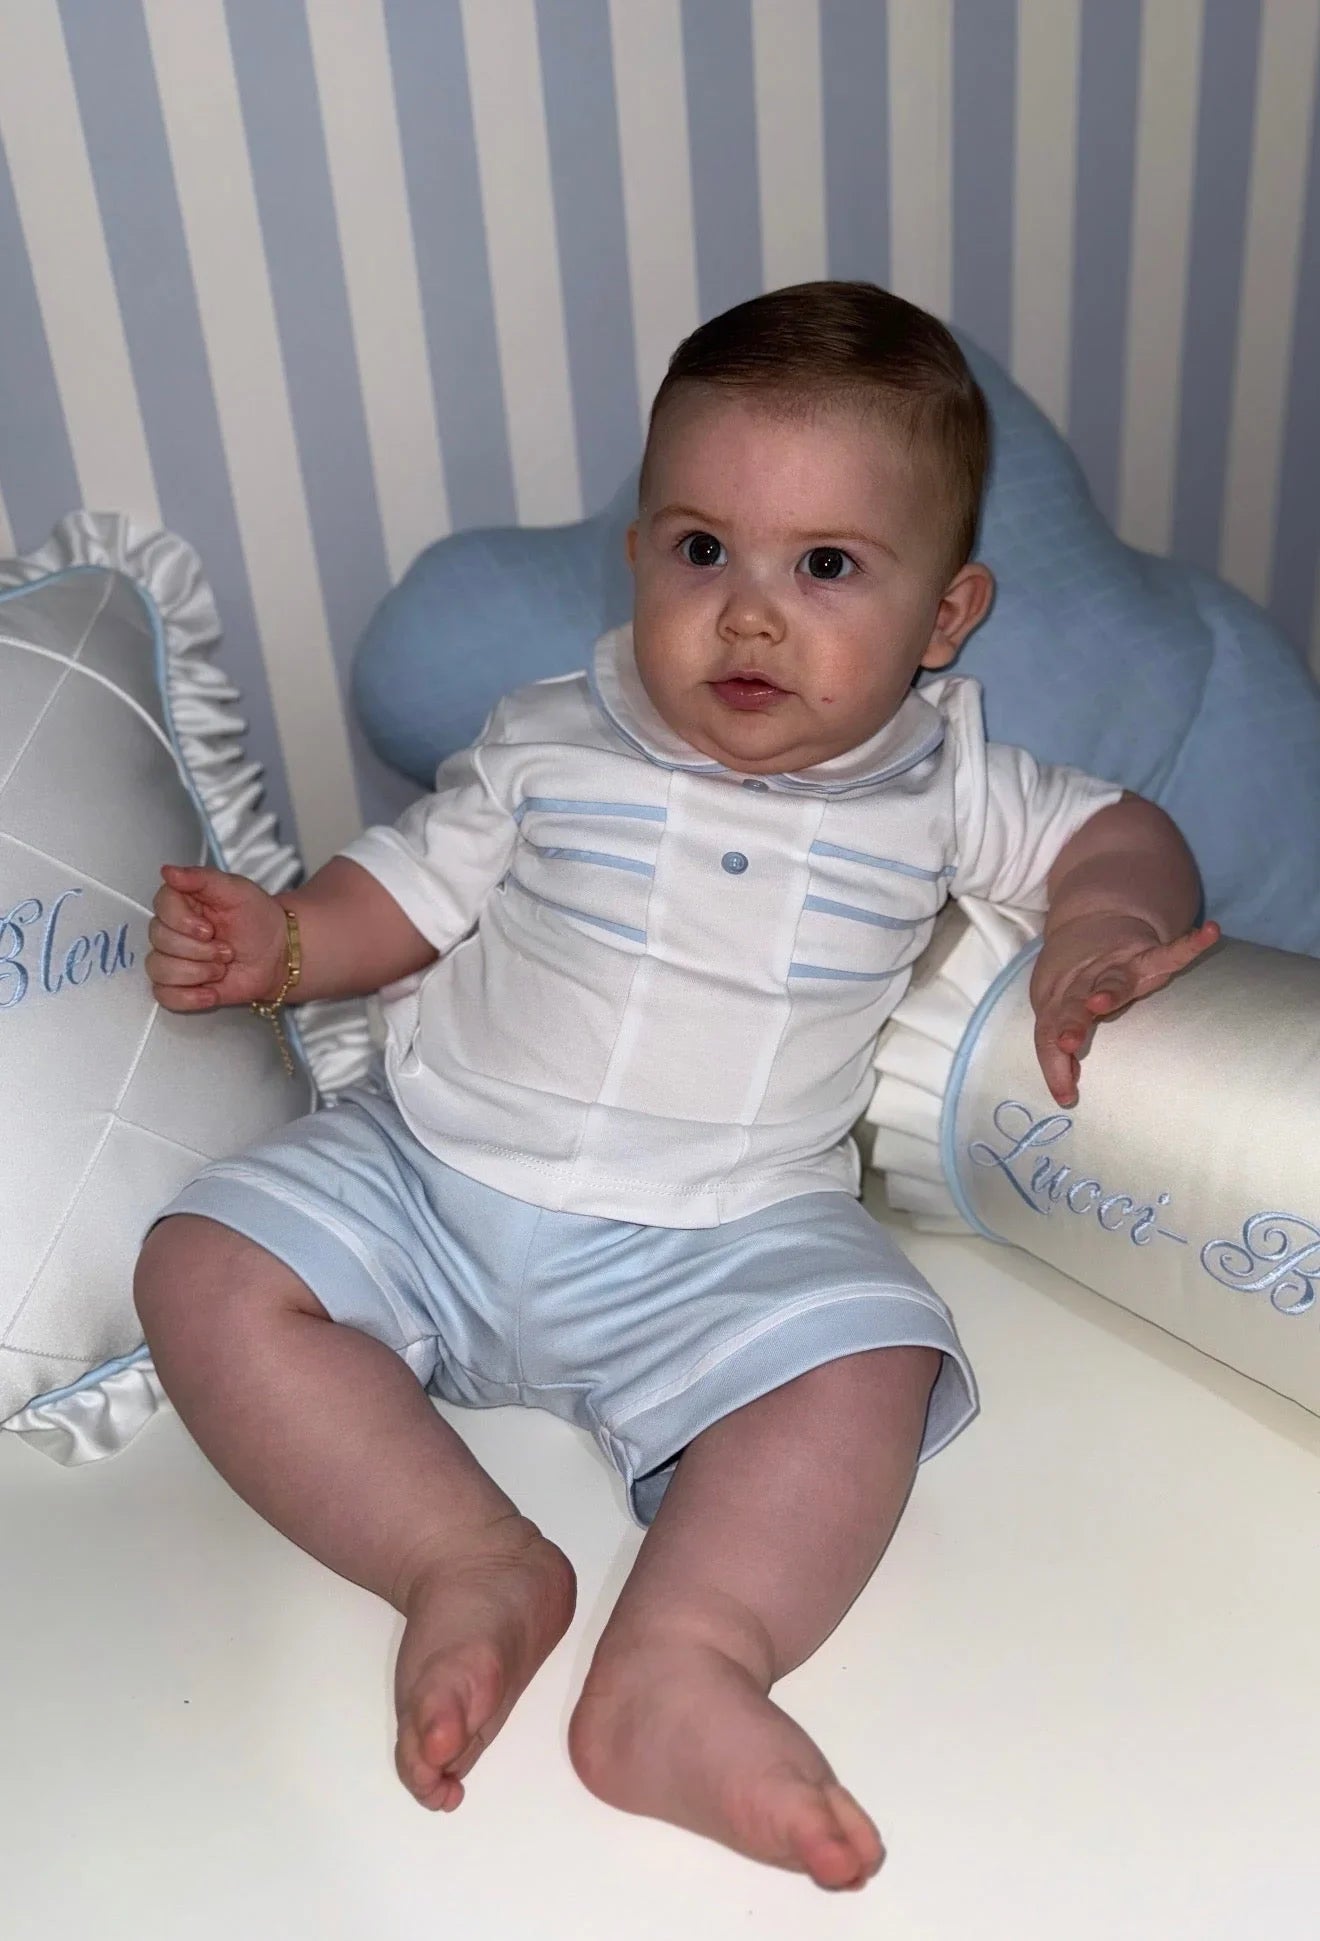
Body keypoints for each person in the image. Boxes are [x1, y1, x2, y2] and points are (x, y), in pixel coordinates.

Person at [134, 282, 1217, 1892]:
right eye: (704, 549)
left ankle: (685, 1659)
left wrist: (1099, 932)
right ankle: (466, 1556)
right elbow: (404, 896)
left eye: (826, 566)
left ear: (945, 617)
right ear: (639, 556)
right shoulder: (548, 737)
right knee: (200, 1266)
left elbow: (1115, 832)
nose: (751, 615)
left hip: (725, 1236)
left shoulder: (944, 782)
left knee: (872, 1360)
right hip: (432, 1172)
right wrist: (287, 942)